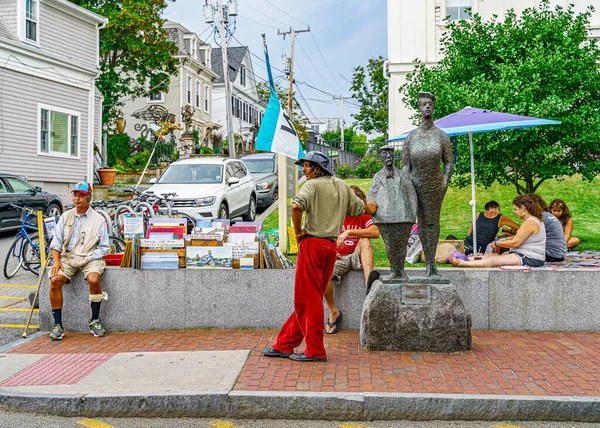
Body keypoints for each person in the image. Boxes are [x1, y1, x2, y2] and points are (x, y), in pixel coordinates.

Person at [260, 152, 377, 362]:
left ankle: (315, 350)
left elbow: (296, 206)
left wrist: (297, 233)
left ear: (317, 167)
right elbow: (361, 208)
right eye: (303, 166)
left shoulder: (311, 186)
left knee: (308, 298)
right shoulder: (341, 185)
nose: (303, 170)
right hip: (331, 248)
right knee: (307, 298)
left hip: (312, 245)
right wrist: (372, 208)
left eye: (306, 166)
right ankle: (284, 344)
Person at [48, 182, 110, 341]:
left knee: (94, 279)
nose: (77, 199)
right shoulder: (65, 216)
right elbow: (56, 242)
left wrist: (89, 257)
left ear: (89, 198)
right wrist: (56, 261)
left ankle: (95, 320)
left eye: (81, 195)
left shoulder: (99, 220)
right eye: (75, 195)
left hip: (90, 257)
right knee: (55, 281)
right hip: (68, 257)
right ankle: (57, 325)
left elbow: (104, 247)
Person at [402, 91, 454, 276]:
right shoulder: (411, 138)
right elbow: (406, 166)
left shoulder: (441, 136)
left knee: (431, 222)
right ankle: (400, 266)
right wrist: (405, 187)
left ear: (433, 107)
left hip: (434, 186)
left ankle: (430, 264)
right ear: (419, 107)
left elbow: (448, 162)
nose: (427, 106)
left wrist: (445, 181)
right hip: (414, 185)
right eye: (424, 104)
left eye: (430, 104)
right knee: (412, 222)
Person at [323, 185, 380, 334]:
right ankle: (333, 311)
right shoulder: (336, 216)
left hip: (357, 256)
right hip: (339, 258)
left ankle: (369, 286)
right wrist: (331, 249)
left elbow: (375, 232)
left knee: (365, 240)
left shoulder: (363, 215)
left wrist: (349, 232)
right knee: (322, 275)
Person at [450, 194, 546, 268]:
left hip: (530, 258)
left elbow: (515, 243)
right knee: (492, 255)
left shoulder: (530, 222)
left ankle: (462, 263)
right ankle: (464, 258)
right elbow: (521, 237)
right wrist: (505, 239)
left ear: (523, 208)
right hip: (527, 255)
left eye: (516, 209)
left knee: (493, 259)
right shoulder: (533, 220)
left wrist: (497, 243)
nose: (515, 212)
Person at [367, 144, 418, 282]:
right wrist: (373, 213)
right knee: (390, 246)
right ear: (381, 158)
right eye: (385, 154)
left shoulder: (403, 176)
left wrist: (413, 216)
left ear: (394, 157)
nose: (388, 156)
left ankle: (400, 271)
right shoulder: (377, 177)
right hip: (384, 217)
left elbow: (412, 195)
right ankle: (394, 271)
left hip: (404, 216)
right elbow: (371, 196)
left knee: (402, 246)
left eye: (390, 154)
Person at [528, 194, 567, 262]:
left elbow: (524, 237)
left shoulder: (539, 217)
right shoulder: (547, 215)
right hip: (559, 254)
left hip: (551, 255)